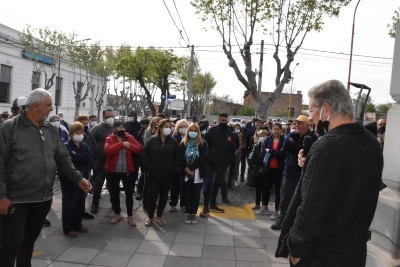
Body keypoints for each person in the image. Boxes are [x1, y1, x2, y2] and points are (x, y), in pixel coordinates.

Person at [275, 80, 384, 267]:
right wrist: (312, 166)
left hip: (320, 255)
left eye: (311, 110)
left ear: (326, 108)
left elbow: (311, 207)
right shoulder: (371, 143)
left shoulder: (327, 147)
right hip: (354, 253)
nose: (311, 118)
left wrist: (295, 250)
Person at [0, 88, 92, 267]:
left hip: (42, 199)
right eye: (49, 105)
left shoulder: (50, 129)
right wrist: (2, 195)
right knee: (9, 247)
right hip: (15, 200)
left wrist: (78, 178)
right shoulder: (10, 128)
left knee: (28, 245)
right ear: (35, 105)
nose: (51, 109)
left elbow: (62, 158)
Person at [271, 115, 318, 230]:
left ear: (307, 125)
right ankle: (282, 220)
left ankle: (296, 223)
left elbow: (310, 150)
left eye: (300, 123)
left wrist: (296, 146)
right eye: (296, 123)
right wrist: (301, 146)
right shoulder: (292, 135)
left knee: (301, 200)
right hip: (289, 172)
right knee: (285, 198)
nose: (297, 126)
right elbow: (286, 144)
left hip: (304, 173)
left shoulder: (313, 137)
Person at [141, 119, 180, 227]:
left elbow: (178, 157)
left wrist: (174, 169)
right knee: (152, 196)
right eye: (166, 126)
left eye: (170, 126)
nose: (168, 129)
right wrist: (149, 167)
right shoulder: (151, 140)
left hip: (168, 175)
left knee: (163, 196)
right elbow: (144, 154)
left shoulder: (173, 142)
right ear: (160, 128)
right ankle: (150, 217)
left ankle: (159, 217)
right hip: (154, 174)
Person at [104, 121, 142, 226]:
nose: (122, 129)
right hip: (113, 171)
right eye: (119, 128)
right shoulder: (110, 138)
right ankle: (117, 214)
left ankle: (130, 216)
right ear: (115, 129)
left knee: (129, 194)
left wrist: (129, 146)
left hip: (127, 171)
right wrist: (121, 144)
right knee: (114, 193)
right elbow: (108, 150)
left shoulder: (129, 137)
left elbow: (139, 148)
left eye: (123, 127)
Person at [59, 122, 93, 237]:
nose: (79, 134)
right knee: (69, 203)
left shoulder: (84, 145)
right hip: (69, 180)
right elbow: (70, 160)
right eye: (76, 132)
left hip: (83, 177)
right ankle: (68, 228)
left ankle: (77, 224)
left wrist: (79, 156)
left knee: (80, 203)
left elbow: (90, 157)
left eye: (80, 132)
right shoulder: (66, 146)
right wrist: (81, 156)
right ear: (71, 134)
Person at [203, 112, 236, 214]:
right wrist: (209, 158)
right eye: (222, 120)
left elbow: (233, 149)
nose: (223, 122)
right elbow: (206, 145)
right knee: (209, 184)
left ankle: (212, 203)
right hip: (211, 163)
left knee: (217, 184)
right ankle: (205, 206)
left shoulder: (231, 134)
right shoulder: (211, 131)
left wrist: (228, 161)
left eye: (225, 121)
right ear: (218, 120)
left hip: (223, 164)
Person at [179, 123, 208, 224]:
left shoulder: (203, 144)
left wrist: (191, 168)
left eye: (195, 131)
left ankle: (193, 213)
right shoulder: (183, 143)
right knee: (187, 193)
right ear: (188, 132)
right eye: (191, 130)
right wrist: (186, 169)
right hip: (186, 172)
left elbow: (203, 158)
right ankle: (188, 213)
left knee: (196, 194)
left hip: (198, 172)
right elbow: (180, 158)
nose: (193, 132)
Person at [258, 123, 286, 219]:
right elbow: (262, 152)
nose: (276, 131)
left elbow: (282, 153)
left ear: (281, 130)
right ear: (272, 130)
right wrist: (274, 153)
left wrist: (270, 151)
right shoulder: (268, 139)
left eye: (278, 129)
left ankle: (277, 210)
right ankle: (264, 207)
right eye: (274, 129)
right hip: (268, 167)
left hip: (278, 168)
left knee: (278, 190)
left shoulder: (284, 140)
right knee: (265, 187)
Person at [90, 109, 115, 214]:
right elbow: (90, 143)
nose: (110, 118)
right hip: (100, 160)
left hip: (113, 160)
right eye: (108, 116)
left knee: (113, 183)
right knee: (99, 182)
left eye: (112, 116)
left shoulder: (116, 128)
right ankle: (94, 204)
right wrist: (96, 156)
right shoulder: (97, 129)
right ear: (103, 117)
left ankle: (115, 204)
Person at [75, 114, 98, 219]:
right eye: (83, 123)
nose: (85, 125)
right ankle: (74, 211)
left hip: (88, 165)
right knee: (76, 190)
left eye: (86, 123)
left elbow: (95, 147)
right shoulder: (75, 134)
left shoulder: (89, 134)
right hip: (77, 167)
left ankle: (82, 210)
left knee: (84, 190)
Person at [169, 119, 189, 212]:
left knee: (184, 187)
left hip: (186, 166)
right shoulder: (174, 137)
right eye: (181, 126)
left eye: (185, 126)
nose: (183, 128)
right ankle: (173, 204)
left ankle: (184, 204)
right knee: (175, 187)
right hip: (176, 166)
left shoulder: (190, 137)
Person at [133, 118, 149, 200]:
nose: (142, 126)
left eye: (143, 124)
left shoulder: (148, 132)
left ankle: (141, 191)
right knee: (142, 174)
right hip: (140, 155)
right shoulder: (139, 133)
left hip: (144, 155)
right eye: (141, 124)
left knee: (144, 173)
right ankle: (139, 191)